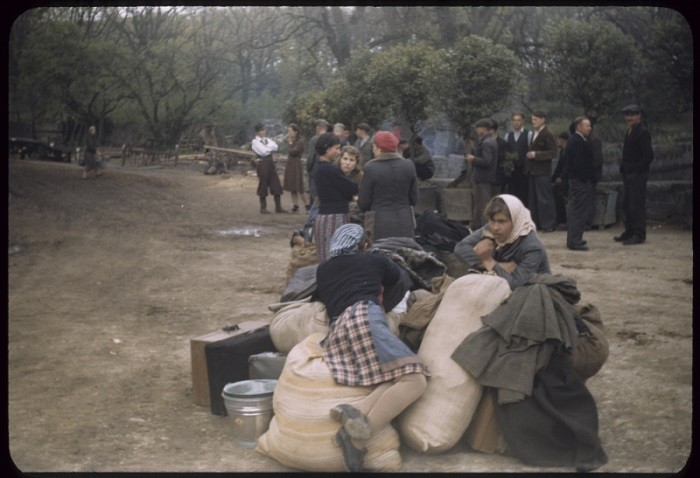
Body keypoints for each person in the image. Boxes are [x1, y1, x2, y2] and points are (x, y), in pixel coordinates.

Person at [316, 223, 428, 472]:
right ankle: (355, 440)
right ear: (362, 246)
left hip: (336, 332)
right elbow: (400, 280)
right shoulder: (374, 260)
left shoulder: (323, 269)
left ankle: (356, 412)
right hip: (364, 318)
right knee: (416, 380)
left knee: (397, 375)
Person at [453, 194, 551, 290]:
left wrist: (489, 261)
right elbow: (461, 247)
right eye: (492, 220)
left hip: (533, 294)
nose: (495, 227)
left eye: (502, 221)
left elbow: (517, 285)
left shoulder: (532, 247)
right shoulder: (490, 229)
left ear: (515, 221)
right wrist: (496, 265)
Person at [358, 131, 418, 242]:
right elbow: (414, 200)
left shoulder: (371, 168)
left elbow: (363, 203)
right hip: (405, 223)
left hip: (380, 225)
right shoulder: (409, 165)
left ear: (380, 148)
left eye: (374, 146)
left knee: (382, 257)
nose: (373, 149)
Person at [313, 133, 359, 262]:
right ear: (328, 149)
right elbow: (352, 189)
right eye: (337, 148)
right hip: (334, 217)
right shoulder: (330, 169)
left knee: (326, 256)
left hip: (325, 216)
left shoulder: (319, 167)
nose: (339, 152)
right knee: (336, 256)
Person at [615, 104, 654, 245]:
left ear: (639, 115)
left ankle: (639, 233)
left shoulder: (642, 132)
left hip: (637, 175)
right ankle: (629, 231)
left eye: (632, 115)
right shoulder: (631, 130)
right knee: (627, 204)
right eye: (627, 115)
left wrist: (636, 170)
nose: (629, 117)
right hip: (628, 173)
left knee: (637, 205)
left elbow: (648, 156)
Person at [563, 116, 596, 251]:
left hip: (579, 181)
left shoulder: (578, 140)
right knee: (579, 211)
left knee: (577, 211)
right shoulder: (577, 141)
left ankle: (574, 239)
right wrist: (586, 179)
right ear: (579, 127)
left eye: (589, 125)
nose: (589, 128)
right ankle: (574, 240)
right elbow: (579, 164)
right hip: (580, 182)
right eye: (586, 125)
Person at [525, 110, 558, 232]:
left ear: (543, 119)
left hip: (542, 171)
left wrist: (536, 154)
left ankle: (548, 224)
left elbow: (553, 152)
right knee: (534, 199)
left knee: (544, 198)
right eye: (533, 119)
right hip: (533, 171)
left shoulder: (547, 133)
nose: (534, 121)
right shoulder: (535, 133)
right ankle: (537, 223)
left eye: (536, 119)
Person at [466, 118, 498, 231]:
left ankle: (487, 227)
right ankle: (476, 226)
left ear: (483, 129)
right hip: (483, 178)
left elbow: (487, 161)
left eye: (477, 128)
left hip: (483, 178)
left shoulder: (486, 142)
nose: (476, 130)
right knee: (479, 204)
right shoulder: (490, 140)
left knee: (484, 204)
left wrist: (474, 159)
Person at [251, 123, 286, 214]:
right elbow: (263, 152)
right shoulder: (255, 141)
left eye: (264, 130)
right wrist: (269, 148)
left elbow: (276, 147)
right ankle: (263, 208)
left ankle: (278, 207)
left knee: (276, 183)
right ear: (257, 132)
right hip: (262, 163)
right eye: (261, 130)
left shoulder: (267, 140)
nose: (263, 132)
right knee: (263, 183)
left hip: (270, 162)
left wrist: (267, 147)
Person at [503, 112, 532, 207]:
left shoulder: (528, 134)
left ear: (523, 121)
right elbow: (506, 152)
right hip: (512, 171)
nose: (516, 123)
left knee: (524, 194)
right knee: (512, 194)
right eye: (514, 120)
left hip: (524, 170)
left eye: (518, 120)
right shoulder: (508, 136)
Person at [282, 123, 309, 214]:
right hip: (290, 163)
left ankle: (307, 206)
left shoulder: (300, 141)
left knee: (300, 186)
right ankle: (295, 206)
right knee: (292, 186)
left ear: (296, 131)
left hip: (296, 164)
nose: (288, 133)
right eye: (288, 131)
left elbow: (294, 151)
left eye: (290, 131)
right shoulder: (292, 140)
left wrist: (290, 143)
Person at [306, 119, 331, 210]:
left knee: (314, 193)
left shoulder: (315, 139)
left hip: (316, 168)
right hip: (328, 168)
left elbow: (311, 156)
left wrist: (309, 168)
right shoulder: (331, 138)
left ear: (318, 128)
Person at [337, 145, 364, 225]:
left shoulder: (360, 175)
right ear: (340, 160)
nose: (347, 163)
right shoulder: (333, 171)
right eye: (345, 159)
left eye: (351, 160)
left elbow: (359, 196)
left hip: (352, 208)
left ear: (356, 163)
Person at [552, 131, 570, 229]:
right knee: (555, 193)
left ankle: (562, 220)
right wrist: (553, 178)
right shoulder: (562, 151)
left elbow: (567, 166)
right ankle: (559, 219)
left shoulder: (567, 151)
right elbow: (559, 167)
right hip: (562, 178)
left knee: (560, 195)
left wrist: (561, 177)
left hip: (567, 179)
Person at [491, 119, 508, 195]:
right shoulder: (483, 142)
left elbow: (503, 158)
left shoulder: (502, 143)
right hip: (486, 178)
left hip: (497, 176)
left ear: (493, 130)